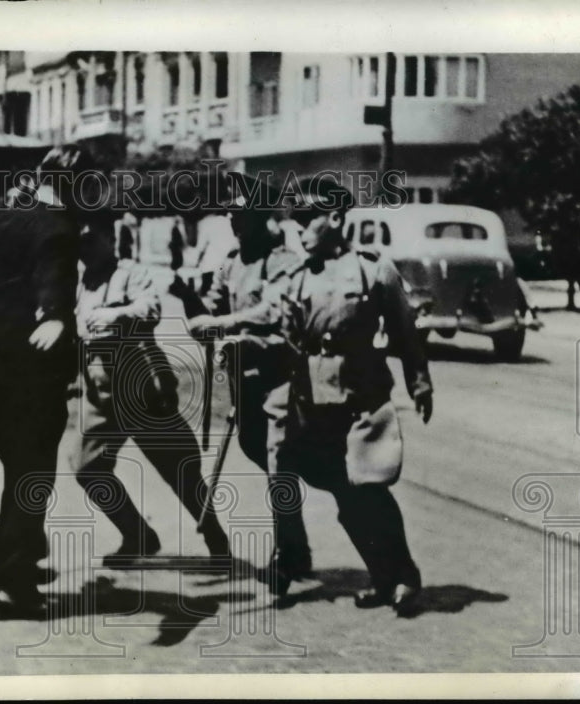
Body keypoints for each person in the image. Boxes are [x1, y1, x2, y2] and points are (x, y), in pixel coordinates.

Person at [269, 178, 433, 615]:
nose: (298, 229)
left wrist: (420, 381)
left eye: (308, 219)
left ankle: (404, 575)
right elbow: (285, 340)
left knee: (369, 489)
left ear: (336, 219)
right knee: (347, 498)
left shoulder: (373, 269)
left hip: (363, 398)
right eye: (295, 221)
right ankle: (382, 576)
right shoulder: (298, 276)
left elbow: (405, 332)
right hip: (314, 404)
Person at [0, 145, 86, 620]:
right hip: (33, 358)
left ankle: (24, 560)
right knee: (31, 471)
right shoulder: (56, 225)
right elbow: (55, 279)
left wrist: (0, 323)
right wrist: (52, 316)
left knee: (19, 463)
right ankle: (11, 581)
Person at [170, 175, 313, 577]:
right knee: (260, 452)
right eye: (231, 213)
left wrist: (228, 325)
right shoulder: (232, 261)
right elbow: (208, 316)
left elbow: (271, 312)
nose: (233, 220)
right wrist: (186, 297)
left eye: (240, 213)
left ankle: (289, 551)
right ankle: (297, 544)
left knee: (277, 458)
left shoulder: (284, 260)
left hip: (280, 377)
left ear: (261, 215)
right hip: (244, 381)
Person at [73, 219, 230, 567]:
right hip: (101, 393)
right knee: (87, 467)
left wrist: (114, 315)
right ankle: (137, 534)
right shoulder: (80, 281)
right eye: (77, 243)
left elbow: (150, 309)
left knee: (180, 470)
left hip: (143, 387)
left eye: (88, 240)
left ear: (108, 238)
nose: (82, 249)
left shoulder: (132, 273)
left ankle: (216, 537)